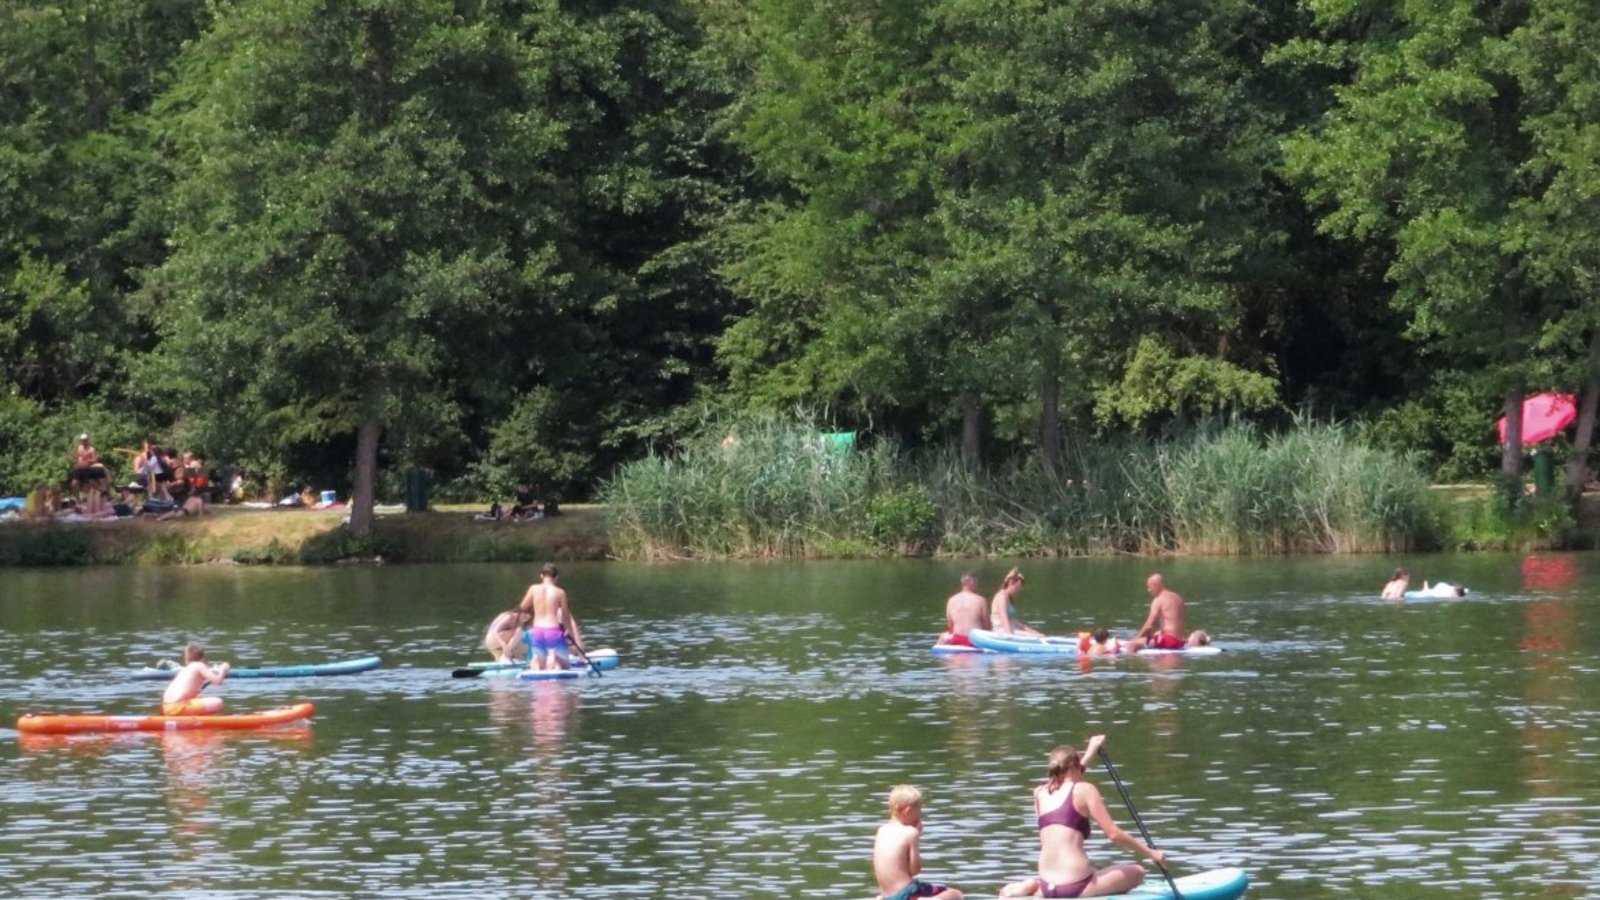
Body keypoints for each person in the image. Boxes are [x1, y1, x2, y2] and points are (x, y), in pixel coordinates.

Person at [999, 736, 1166, 898]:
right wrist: (1151, 853)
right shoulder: (1085, 790)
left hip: (1047, 885)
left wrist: (1090, 751)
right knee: (1137, 872)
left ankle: (1034, 888)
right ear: (1074, 767)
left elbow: (1069, 778)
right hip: (1074, 887)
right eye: (1080, 766)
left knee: (1088, 871)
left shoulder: (1039, 793)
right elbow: (1114, 834)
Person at [872, 784, 963, 900]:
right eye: (919, 810)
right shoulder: (910, 833)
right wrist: (917, 835)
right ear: (908, 810)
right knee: (955, 894)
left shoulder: (881, 830)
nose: (920, 815)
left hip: (887, 896)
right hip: (906, 894)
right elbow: (915, 870)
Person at [517, 563, 587, 670]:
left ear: (541, 575)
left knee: (539, 664)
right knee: (566, 666)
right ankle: (555, 657)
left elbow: (522, 607)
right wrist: (571, 635)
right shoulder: (560, 592)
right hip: (553, 631)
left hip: (537, 631)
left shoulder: (533, 589)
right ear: (556, 577)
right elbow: (565, 617)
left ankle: (537, 660)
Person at [161, 643, 231, 716]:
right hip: (178, 708)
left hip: (166, 707)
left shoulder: (185, 669)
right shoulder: (199, 665)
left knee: (199, 700)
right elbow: (217, 681)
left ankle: (200, 719)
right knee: (218, 702)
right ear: (203, 659)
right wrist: (224, 668)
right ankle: (206, 722)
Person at [1126, 574, 1188, 652]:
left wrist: (1136, 639)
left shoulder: (1158, 600)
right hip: (1181, 641)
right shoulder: (1177, 597)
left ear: (1155, 585)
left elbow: (1149, 625)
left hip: (1169, 641)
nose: (1149, 590)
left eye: (1149, 587)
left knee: (1131, 645)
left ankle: (1134, 661)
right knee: (1156, 633)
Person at [936, 573, 990, 648]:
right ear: (972, 583)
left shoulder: (951, 600)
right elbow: (986, 624)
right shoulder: (980, 600)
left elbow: (950, 625)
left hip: (956, 640)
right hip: (975, 640)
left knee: (942, 636)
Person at [991, 568, 1042, 637]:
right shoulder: (1002, 597)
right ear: (1011, 583)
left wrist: (1030, 630)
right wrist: (1010, 636)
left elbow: (1014, 621)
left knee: (1039, 635)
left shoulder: (1008, 598)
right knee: (1036, 637)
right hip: (1001, 630)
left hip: (1012, 628)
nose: (1019, 590)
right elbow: (1004, 618)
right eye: (1018, 588)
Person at [68, 433, 110, 499]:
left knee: (91, 484)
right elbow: (77, 456)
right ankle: (77, 499)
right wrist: (75, 458)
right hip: (79, 468)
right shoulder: (79, 448)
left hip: (87, 468)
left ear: (87, 440)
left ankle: (103, 492)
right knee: (74, 484)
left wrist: (87, 459)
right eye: (82, 440)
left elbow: (95, 459)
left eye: (84, 440)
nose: (83, 442)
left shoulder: (91, 449)